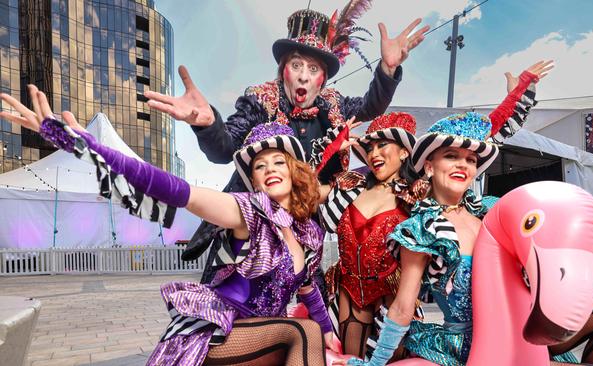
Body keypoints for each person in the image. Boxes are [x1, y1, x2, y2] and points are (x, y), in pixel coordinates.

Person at [341, 61, 593, 366]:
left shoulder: (493, 209)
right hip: (474, 345)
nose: (463, 165)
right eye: (452, 156)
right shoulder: (422, 228)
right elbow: (403, 306)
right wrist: (373, 364)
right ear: (431, 166)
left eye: (471, 159)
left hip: (529, 325)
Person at [0, 86, 335, 366]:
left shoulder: (308, 234)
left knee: (309, 332)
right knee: (300, 331)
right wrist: (81, 144)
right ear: (254, 179)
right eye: (259, 165)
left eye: (279, 161)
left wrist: (332, 336)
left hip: (262, 336)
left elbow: (310, 293)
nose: (270, 168)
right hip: (217, 334)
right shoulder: (247, 210)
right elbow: (174, 190)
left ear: (295, 172)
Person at [143, 3, 430, 284]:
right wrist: (206, 123)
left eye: (313, 68)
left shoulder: (334, 105)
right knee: (226, 300)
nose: (304, 75)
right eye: (296, 65)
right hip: (253, 223)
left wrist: (387, 70)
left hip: (305, 225)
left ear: (322, 79)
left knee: (313, 302)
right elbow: (224, 149)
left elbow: (370, 106)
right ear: (284, 71)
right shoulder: (260, 100)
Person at [318, 111, 424, 359]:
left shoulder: (418, 195)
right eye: (370, 147)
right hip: (349, 291)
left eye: (382, 145)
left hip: (393, 297)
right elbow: (301, 190)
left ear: (404, 151)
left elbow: (458, 160)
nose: (374, 153)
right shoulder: (350, 187)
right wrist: (328, 151)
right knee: (348, 361)